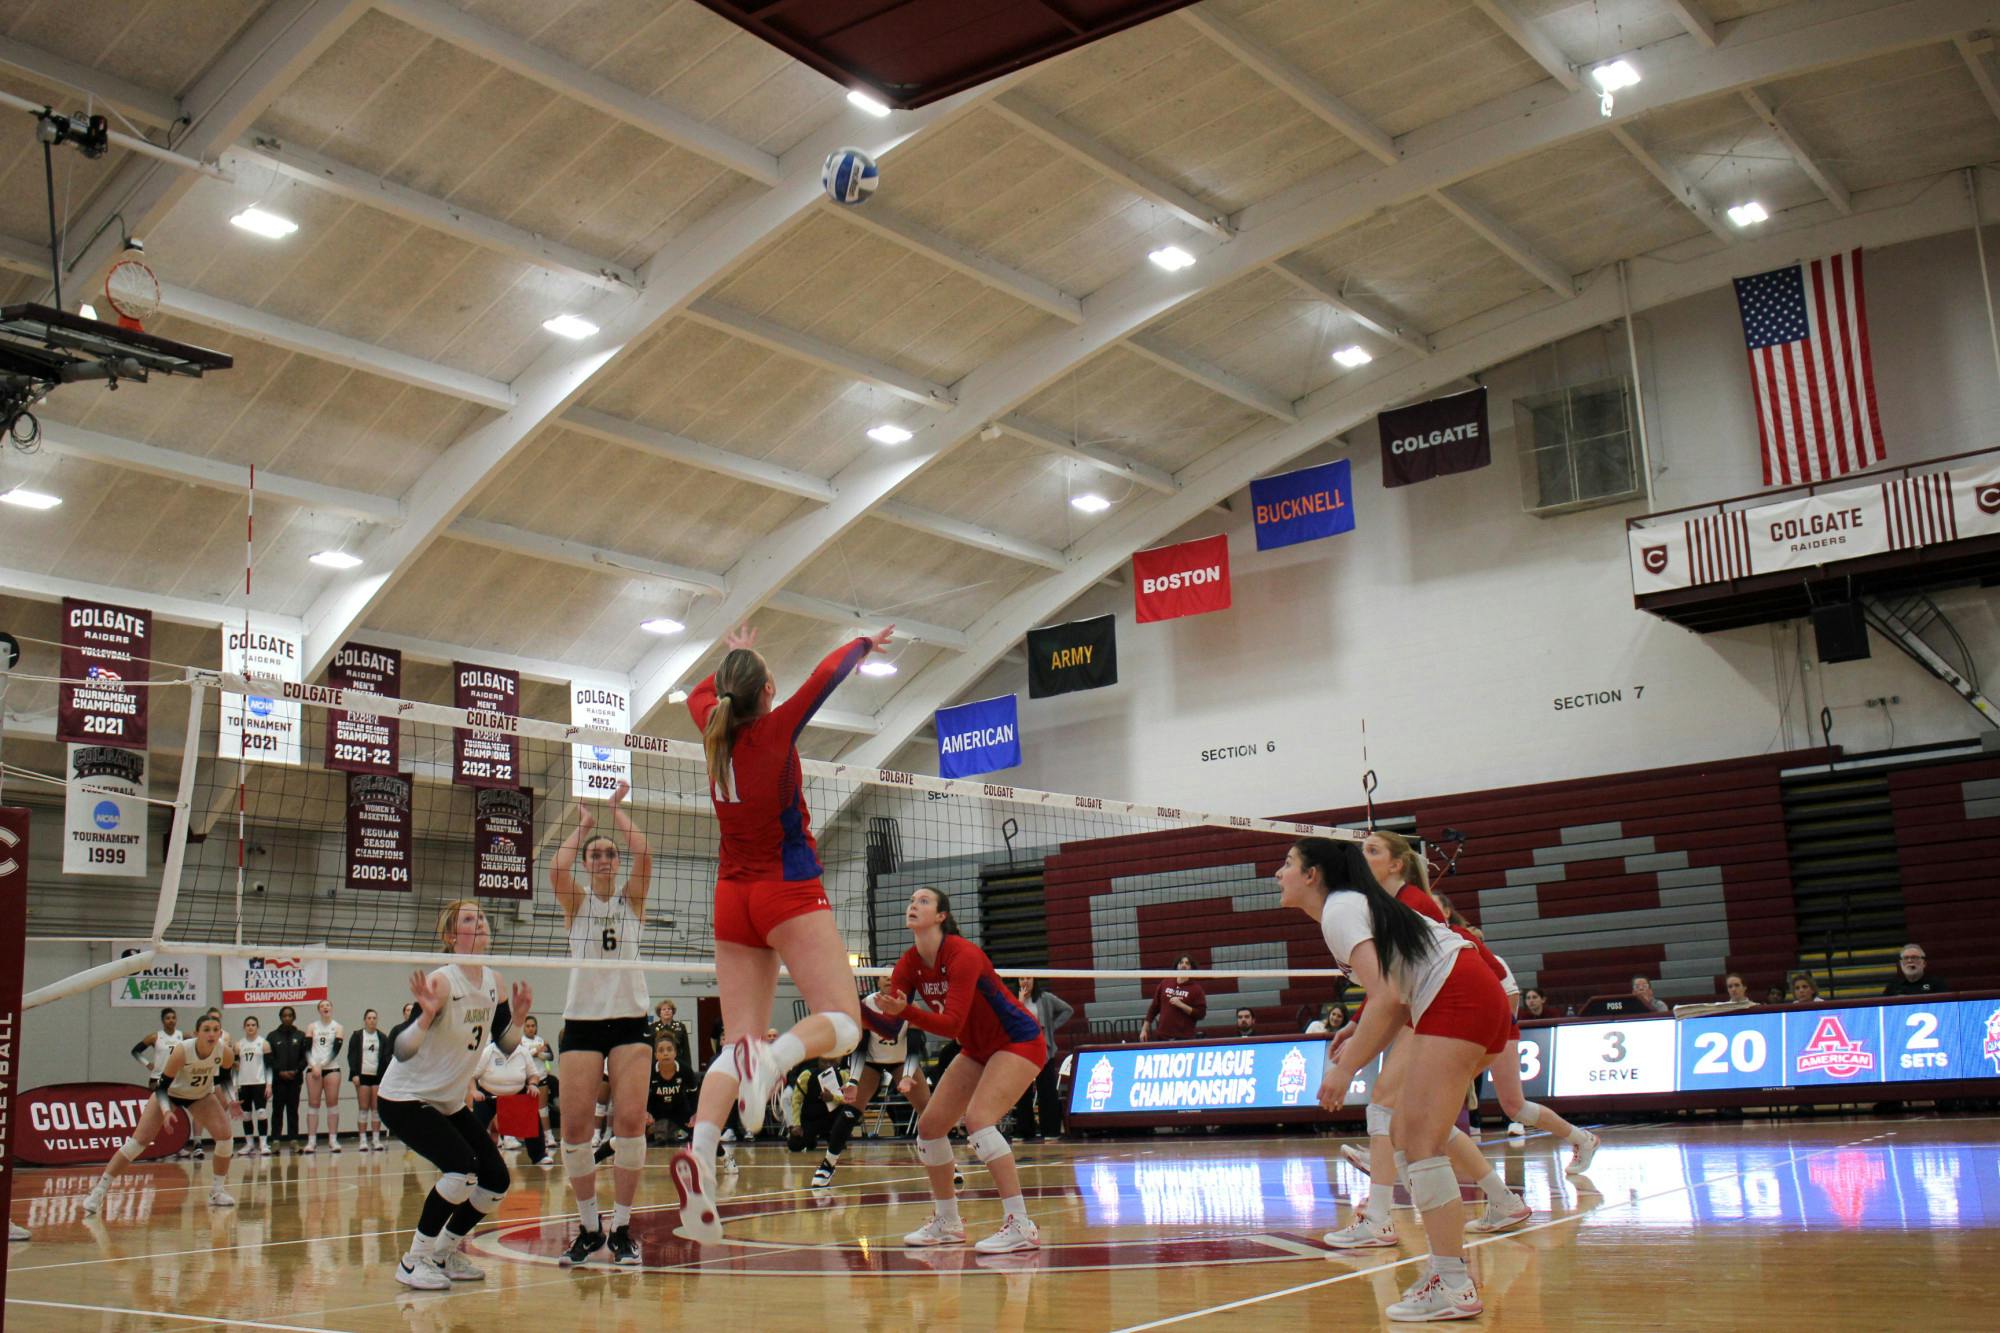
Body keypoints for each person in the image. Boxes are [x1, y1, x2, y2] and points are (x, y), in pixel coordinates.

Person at [670, 624, 888, 1244]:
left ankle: (702, 1153)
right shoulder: (772, 727)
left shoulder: (710, 721)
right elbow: (825, 679)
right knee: (844, 1025)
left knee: (732, 1042)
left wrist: (731, 655)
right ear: (768, 690)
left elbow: (700, 692)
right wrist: (865, 643)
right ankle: (774, 1060)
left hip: (731, 898)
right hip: (786, 888)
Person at [1280, 837, 1507, 1323]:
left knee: (1419, 1140)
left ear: (1313, 874)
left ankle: (1453, 1282)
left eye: (1288, 864)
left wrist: (1344, 1070)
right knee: (1410, 1134)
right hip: (1467, 991)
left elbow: (1386, 995)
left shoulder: (1340, 910)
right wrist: (1358, 1031)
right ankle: (1451, 1271)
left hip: (1457, 993)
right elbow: (1395, 993)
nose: (1279, 874)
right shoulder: (1352, 906)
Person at [1325, 831, 1527, 1251]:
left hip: (1451, 1003)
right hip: (1437, 1004)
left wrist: (1349, 1061)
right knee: (1420, 1122)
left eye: (1373, 851)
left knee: (1386, 1105)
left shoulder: (1412, 902)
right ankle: (1503, 1199)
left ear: (1397, 863)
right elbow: (1396, 978)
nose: (1364, 859)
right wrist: (1358, 1021)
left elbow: (1419, 973)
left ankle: (1379, 1217)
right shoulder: (1379, 907)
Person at [376, 899, 533, 1291]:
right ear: (450, 937)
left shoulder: (494, 982)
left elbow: (508, 1044)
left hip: (444, 1100)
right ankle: (414, 1261)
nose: (478, 921)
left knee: (495, 1179)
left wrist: (515, 1018)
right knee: (461, 1169)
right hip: (405, 1097)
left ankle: (443, 1253)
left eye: (480, 916)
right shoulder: (442, 982)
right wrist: (426, 1016)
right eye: (467, 918)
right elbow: (401, 1049)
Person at [881, 886, 1047, 1254]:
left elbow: (950, 1024)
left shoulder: (963, 954)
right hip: (977, 1048)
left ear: (941, 916)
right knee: (930, 1126)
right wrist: (853, 1014)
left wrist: (903, 1011)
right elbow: (891, 1028)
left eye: (923, 901)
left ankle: (1021, 1224)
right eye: (910, 900)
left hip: (1017, 1040)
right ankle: (948, 1222)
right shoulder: (908, 963)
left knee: (979, 1119)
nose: (913, 905)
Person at [550, 778, 654, 1268]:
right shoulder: (578, 904)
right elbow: (556, 866)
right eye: (597, 855)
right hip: (583, 1022)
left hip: (631, 1020)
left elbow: (646, 854)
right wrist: (585, 827)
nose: (605, 859)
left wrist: (615, 812)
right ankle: (589, 1227)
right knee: (574, 1128)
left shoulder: (632, 902)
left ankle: (623, 1228)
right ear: (589, 864)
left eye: (610, 854)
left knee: (630, 1123)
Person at [86, 1011, 237, 1215]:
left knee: (226, 1137)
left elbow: (225, 1080)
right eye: (206, 1030)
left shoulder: (224, 1052)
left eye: (215, 1030)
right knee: (138, 1142)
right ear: (196, 1033)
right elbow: (161, 1086)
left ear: (220, 1033)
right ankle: (99, 1191)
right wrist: (166, 1111)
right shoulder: (183, 1050)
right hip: (170, 1093)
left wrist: (232, 1100)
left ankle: (217, 1191)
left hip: (200, 1095)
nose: (211, 1034)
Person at [471, 1026, 550, 1167]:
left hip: (516, 1095)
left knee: (532, 1119)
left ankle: (539, 1155)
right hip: (488, 1096)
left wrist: (532, 1084)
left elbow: (533, 1074)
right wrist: (474, 1092)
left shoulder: (523, 1052)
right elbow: (472, 1076)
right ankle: (471, 1157)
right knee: (475, 1127)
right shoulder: (488, 1052)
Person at [1012, 977, 1073, 1143]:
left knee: (1046, 1089)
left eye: (1028, 978)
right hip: (1021, 1048)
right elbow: (1010, 1019)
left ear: (1034, 980)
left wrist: (1051, 1027)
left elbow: (1068, 1010)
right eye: (1022, 979)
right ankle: (1025, 1130)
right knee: (1021, 1091)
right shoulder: (1012, 999)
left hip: (1042, 1048)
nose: (1025, 982)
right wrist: (1020, 1001)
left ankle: (1051, 1130)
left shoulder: (1044, 998)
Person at [129, 1008, 192, 1158]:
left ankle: (178, 1146)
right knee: (156, 1115)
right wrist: (147, 1063)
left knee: (177, 1113)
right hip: (158, 1078)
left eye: (173, 1018)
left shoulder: (183, 1036)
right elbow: (135, 1051)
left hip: (176, 1079)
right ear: (163, 1020)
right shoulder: (155, 1037)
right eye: (168, 1018)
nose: (171, 1020)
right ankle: (157, 1147)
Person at [302, 998, 345, 1153]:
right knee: (313, 1104)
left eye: (327, 1005)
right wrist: (314, 1065)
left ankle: (333, 1140)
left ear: (331, 1008)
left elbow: (335, 1051)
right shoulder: (312, 1026)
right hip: (313, 1069)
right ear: (319, 1010)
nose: (325, 1008)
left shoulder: (338, 1027)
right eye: (322, 1006)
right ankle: (311, 1141)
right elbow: (306, 1049)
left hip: (331, 1068)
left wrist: (321, 1065)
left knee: (332, 1103)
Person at [266, 1005, 308, 1150]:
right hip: (278, 1080)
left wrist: (296, 1070)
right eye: (284, 1016)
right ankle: (275, 1140)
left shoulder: (301, 1035)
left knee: (293, 1110)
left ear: (294, 1017)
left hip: (295, 1080)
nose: (287, 1018)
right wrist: (279, 1071)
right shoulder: (272, 1036)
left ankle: (294, 1140)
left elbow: (305, 1057)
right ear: (281, 1017)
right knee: (277, 1110)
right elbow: (269, 1058)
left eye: (290, 1015)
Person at [1139, 955, 1205, 1041]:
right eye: (1181, 963)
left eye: (1187, 963)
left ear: (1191, 968)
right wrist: (1144, 1030)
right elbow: (1154, 1008)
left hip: (1184, 1038)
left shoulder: (1196, 989)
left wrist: (1181, 1005)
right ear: (1177, 966)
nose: (1183, 965)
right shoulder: (1165, 983)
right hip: (1162, 1036)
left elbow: (1201, 1014)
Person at [348, 1009, 387, 1152]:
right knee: (363, 1108)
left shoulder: (382, 1037)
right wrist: (354, 1074)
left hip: (377, 1076)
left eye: (374, 1018)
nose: (372, 1020)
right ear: (365, 1020)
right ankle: (363, 1140)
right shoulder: (357, 1036)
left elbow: (386, 1058)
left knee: (376, 1109)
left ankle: (376, 1140)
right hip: (362, 1075)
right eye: (369, 1018)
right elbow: (351, 1056)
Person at [647, 1035, 695, 1145]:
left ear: (675, 1053)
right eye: (661, 1050)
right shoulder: (649, 1071)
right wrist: (645, 1113)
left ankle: (724, 1157)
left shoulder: (685, 1070)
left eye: (669, 1049)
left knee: (701, 1130)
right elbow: (641, 1096)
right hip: (656, 1109)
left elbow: (694, 1094)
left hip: (679, 1108)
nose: (665, 1053)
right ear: (655, 1055)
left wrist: (695, 1114)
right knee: (633, 1128)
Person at [235, 1016, 271, 1155]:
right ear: (244, 1027)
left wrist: (269, 1084)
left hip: (259, 1083)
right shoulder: (239, 1045)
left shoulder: (264, 1043)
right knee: (246, 1114)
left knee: (261, 1113)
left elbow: (268, 1067)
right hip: (244, 1084)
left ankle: (263, 1144)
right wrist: (235, 1085)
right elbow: (235, 1068)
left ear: (257, 1027)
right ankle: (249, 1144)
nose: (250, 1027)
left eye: (253, 1025)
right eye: (248, 1025)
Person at [1883, 944, 1948, 996]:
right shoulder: (1893, 987)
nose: (1910, 961)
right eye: (1905, 958)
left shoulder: (1936, 984)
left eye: (1914, 957)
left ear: (1924, 963)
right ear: (1900, 963)